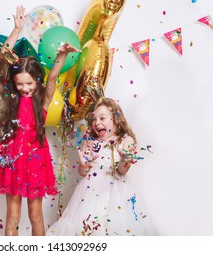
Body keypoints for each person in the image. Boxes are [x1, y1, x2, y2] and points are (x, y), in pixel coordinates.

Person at [0, 6, 80, 236]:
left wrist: (62, 55)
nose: (24, 88)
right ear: (14, 83)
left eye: (29, 84)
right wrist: (16, 29)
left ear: (37, 82)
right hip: (12, 157)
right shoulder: (10, 96)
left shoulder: (42, 100)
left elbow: (53, 77)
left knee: (36, 215)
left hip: (35, 159)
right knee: (12, 216)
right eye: (20, 84)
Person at [46, 97, 157, 236]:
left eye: (102, 118)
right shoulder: (90, 143)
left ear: (115, 119)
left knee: (114, 228)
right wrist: (83, 164)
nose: (97, 122)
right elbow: (82, 172)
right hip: (89, 192)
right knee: (86, 228)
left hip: (116, 194)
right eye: (94, 119)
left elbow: (122, 171)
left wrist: (124, 159)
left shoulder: (125, 140)